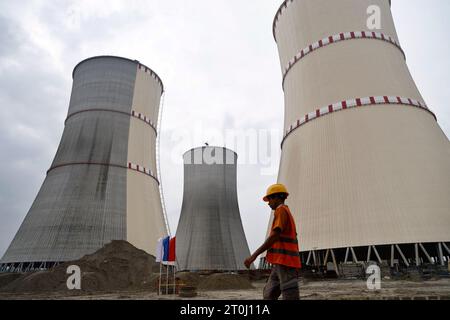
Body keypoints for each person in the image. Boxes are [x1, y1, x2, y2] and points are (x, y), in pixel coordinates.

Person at [244, 183, 301, 300]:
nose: (268, 203)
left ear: (277, 197)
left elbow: (274, 236)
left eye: (269, 199)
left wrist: (253, 256)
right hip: (279, 262)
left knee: (290, 293)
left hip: (286, 262)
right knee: (269, 293)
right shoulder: (284, 212)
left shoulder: (281, 211)